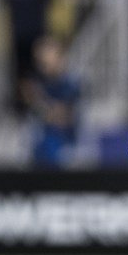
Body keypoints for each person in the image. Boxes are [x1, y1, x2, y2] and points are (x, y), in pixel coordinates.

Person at [24, 35, 81, 168]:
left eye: (46, 60)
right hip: (42, 149)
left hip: (68, 146)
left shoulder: (71, 83)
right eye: (39, 61)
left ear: (60, 58)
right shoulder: (40, 83)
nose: (42, 65)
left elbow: (63, 116)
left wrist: (39, 102)